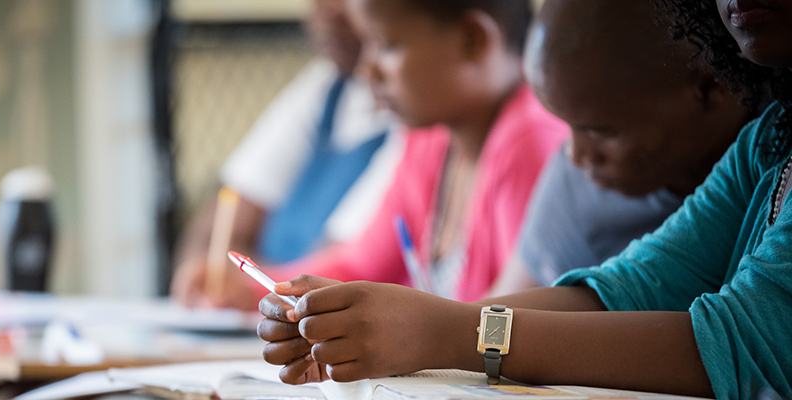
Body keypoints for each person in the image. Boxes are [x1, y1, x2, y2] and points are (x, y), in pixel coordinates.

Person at [255, 0, 792, 398]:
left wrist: (448, 332)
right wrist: (387, 328)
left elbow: (743, 343)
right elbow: (629, 287)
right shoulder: (771, 140)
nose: (575, 159)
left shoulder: (522, 143)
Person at [225, 0, 567, 309]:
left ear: (472, 39)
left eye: (386, 45)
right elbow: (359, 266)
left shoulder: (529, 142)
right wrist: (254, 288)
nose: (366, 70)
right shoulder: (430, 140)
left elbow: (518, 316)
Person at [486, 0, 760, 296]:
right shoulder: (575, 195)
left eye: (601, 132)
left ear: (711, 86)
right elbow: (498, 315)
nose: (576, 156)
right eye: (569, 126)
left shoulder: (777, 168)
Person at [170, 0, 402, 309]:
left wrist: (246, 289)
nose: (326, 12)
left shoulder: (417, 127)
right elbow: (214, 232)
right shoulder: (324, 86)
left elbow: (344, 276)